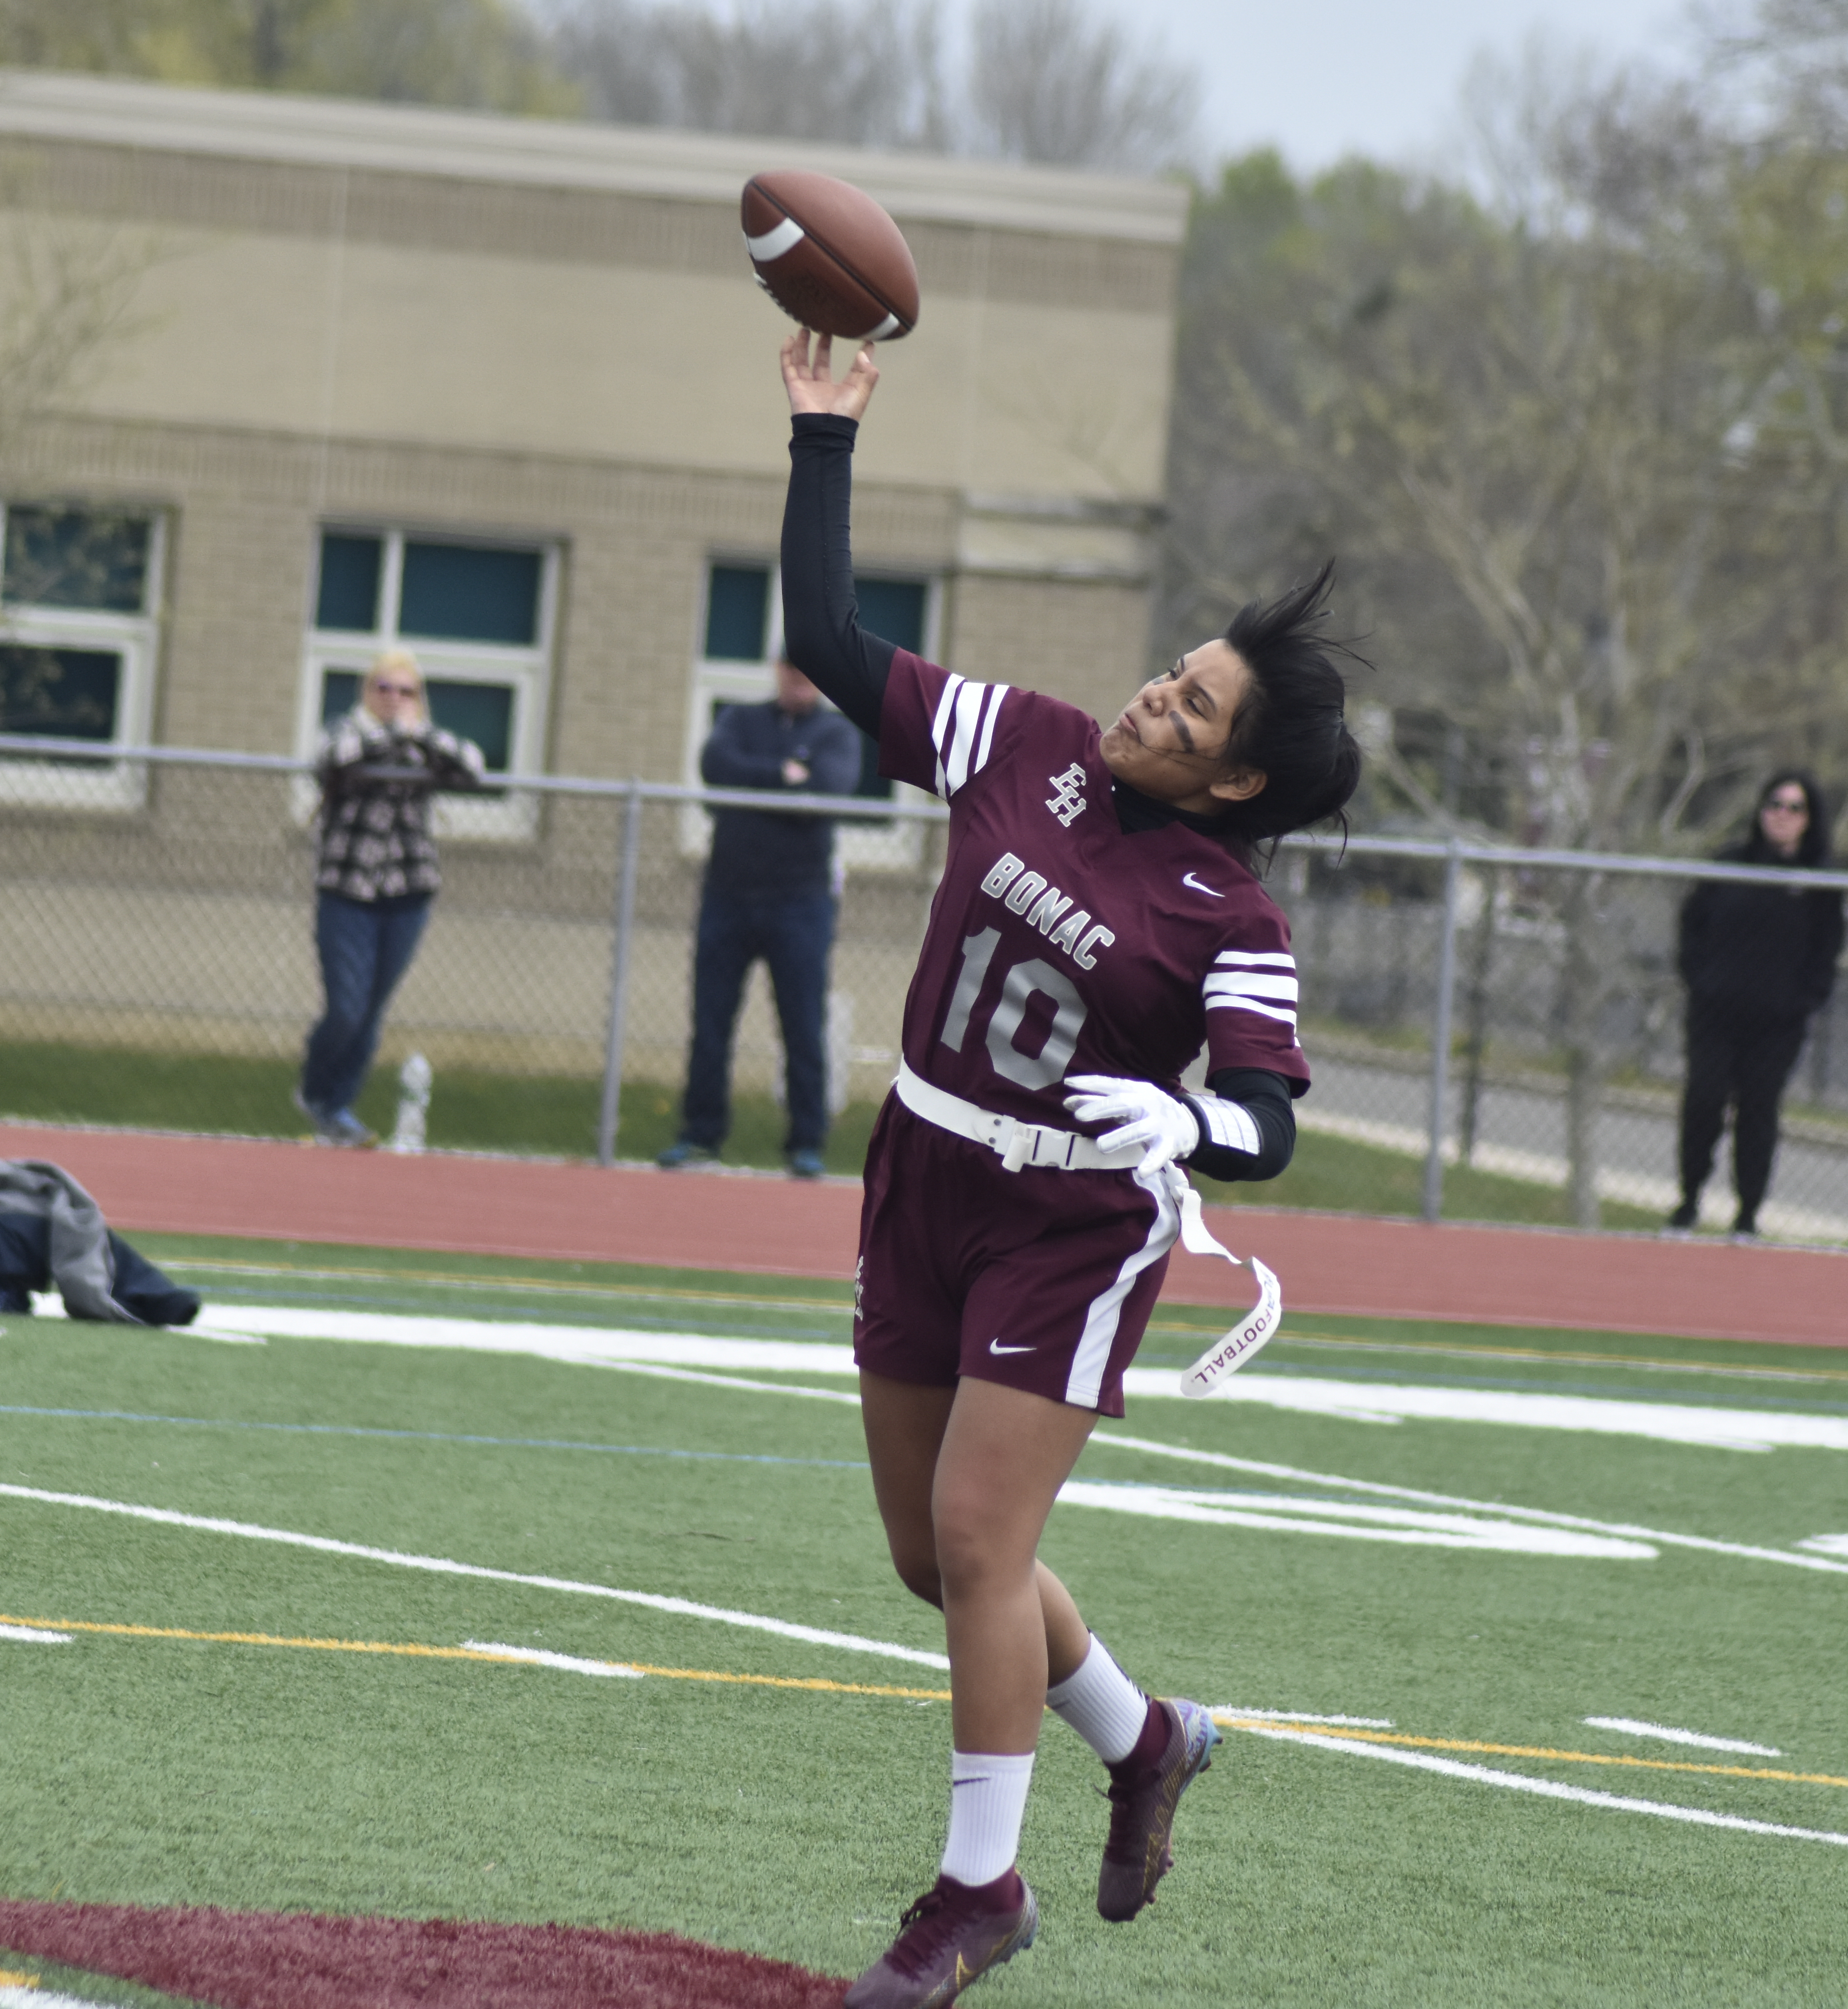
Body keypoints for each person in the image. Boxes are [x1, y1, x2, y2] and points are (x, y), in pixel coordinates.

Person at [772, 331, 1360, 2009]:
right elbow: (827, 640)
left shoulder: (1229, 917)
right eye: (1170, 673)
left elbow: (1265, 1115)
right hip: (925, 1170)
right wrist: (824, 439)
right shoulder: (1020, 742)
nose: (1150, 700)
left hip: (1069, 1221)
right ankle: (1146, 1734)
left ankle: (975, 1895)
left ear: (1236, 780)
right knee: (933, 1557)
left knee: (976, 1534)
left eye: (1190, 708)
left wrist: (1198, 1128)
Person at [658, 656, 862, 1178]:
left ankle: (806, 1143)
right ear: (777, 670)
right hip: (728, 897)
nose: (799, 679)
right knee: (710, 1023)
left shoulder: (837, 732)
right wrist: (783, 776)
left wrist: (763, 791)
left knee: (801, 1026)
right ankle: (700, 1134)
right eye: (792, 669)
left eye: (809, 671)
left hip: (801, 903)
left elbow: (826, 795)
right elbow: (716, 768)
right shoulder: (739, 720)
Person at [298, 648, 483, 1146]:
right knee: (346, 1007)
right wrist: (389, 737)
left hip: (407, 891)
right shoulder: (348, 732)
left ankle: (339, 1108)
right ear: (367, 691)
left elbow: (473, 767)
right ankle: (315, 1089)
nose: (395, 699)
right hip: (348, 889)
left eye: (406, 691)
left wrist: (416, 734)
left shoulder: (424, 743)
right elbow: (330, 759)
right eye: (385, 688)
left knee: (373, 1009)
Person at [1668, 770, 1845, 1242]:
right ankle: (1688, 1202)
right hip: (1716, 1012)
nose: (1782, 816)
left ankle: (1747, 1214)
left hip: (1777, 1023)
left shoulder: (1819, 881)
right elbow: (1692, 925)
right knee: (1704, 1098)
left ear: (1809, 819)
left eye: (1794, 808)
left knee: (1759, 1110)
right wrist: (1700, 981)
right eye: (1774, 805)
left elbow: (1828, 949)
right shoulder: (1730, 862)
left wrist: (1804, 1001)